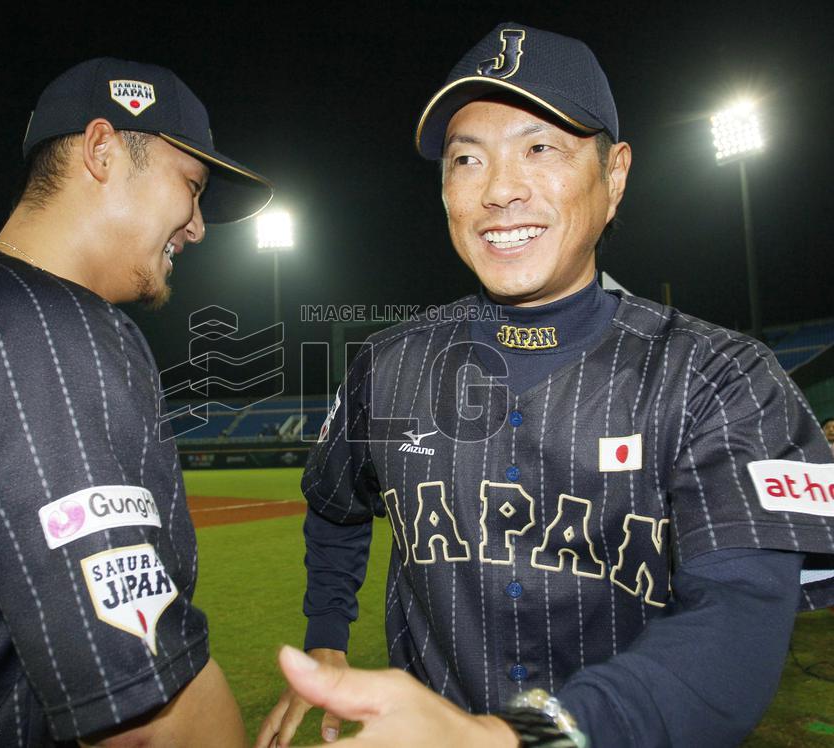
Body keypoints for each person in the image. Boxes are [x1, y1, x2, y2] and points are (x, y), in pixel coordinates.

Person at [257, 22, 834, 748]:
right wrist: (325, 634)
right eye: (467, 159)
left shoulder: (722, 376)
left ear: (614, 175)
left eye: (540, 148)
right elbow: (335, 507)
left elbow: (736, 629)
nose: (500, 190)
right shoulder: (386, 365)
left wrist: (513, 739)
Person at [0, 57, 271, 746]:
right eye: (190, 186)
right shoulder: (43, 328)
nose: (196, 226)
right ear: (102, 150)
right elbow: (147, 711)